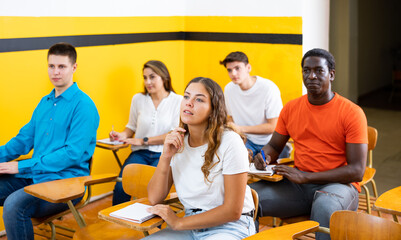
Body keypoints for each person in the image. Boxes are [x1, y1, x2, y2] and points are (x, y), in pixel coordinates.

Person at [250, 48, 368, 240]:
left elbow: (357, 171)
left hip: (338, 186)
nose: (311, 76)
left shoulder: (351, 113)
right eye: (306, 70)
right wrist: (264, 157)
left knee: (324, 207)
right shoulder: (291, 108)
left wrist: (306, 177)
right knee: (248, 197)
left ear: (331, 74)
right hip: (298, 186)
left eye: (318, 71)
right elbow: (274, 146)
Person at [0, 42, 99, 240]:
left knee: (14, 205)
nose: (55, 72)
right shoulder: (44, 103)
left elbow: (72, 153)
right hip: (34, 176)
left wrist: (21, 166)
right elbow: (22, 141)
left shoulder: (85, 106)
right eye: (51, 66)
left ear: (74, 67)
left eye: (61, 66)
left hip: (66, 183)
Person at [144, 77, 256, 240]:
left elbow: (233, 210)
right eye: (186, 96)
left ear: (213, 109)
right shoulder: (177, 141)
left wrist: (178, 223)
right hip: (190, 224)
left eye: (199, 99)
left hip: (230, 226)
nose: (189, 103)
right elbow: (154, 198)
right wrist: (166, 156)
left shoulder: (230, 141)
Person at [109, 60, 182, 205]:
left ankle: (151, 223)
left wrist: (143, 140)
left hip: (163, 154)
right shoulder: (138, 99)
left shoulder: (178, 100)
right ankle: (115, 224)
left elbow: (173, 135)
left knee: (152, 191)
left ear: (164, 77)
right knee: (120, 187)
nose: (148, 81)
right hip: (140, 153)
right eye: (145, 77)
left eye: (152, 77)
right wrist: (121, 135)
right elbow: (131, 127)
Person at [220, 51, 290, 159]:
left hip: (271, 142)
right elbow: (231, 119)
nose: (233, 73)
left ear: (248, 68)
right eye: (229, 70)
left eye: (237, 68)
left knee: (270, 172)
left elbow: (274, 126)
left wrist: (240, 128)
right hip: (247, 141)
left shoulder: (268, 88)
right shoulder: (229, 89)